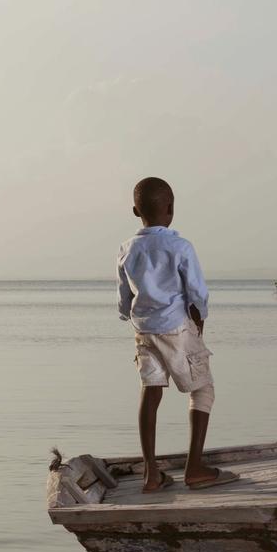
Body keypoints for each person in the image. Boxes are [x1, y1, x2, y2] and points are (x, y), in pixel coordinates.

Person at [117, 177, 239, 493]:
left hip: (144, 330)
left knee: (151, 392)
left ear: (135, 211)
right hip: (176, 328)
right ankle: (195, 468)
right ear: (171, 209)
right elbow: (197, 294)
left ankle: (151, 474)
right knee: (203, 390)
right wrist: (199, 326)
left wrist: (132, 315)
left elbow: (124, 299)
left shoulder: (127, 249)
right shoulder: (180, 246)